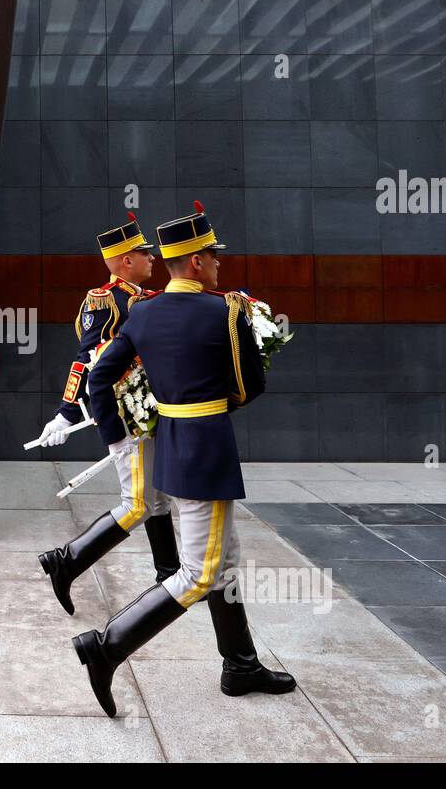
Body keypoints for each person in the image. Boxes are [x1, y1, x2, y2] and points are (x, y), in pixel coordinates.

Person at [75, 202, 296, 717]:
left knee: (226, 562)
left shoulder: (143, 312)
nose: (218, 263)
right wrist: (218, 405)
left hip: (172, 442)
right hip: (207, 447)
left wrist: (117, 441)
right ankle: (105, 649)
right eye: (212, 257)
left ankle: (240, 664)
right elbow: (250, 385)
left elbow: (100, 376)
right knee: (198, 573)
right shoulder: (225, 310)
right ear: (195, 262)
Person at [37, 213, 180, 612]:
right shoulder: (104, 300)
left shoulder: (146, 298)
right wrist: (66, 412)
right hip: (125, 414)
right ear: (124, 261)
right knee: (136, 502)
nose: (152, 259)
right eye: (143, 253)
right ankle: (66, 562)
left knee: (158, 497)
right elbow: (86, 360)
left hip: (148, 411)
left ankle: (169, 574)